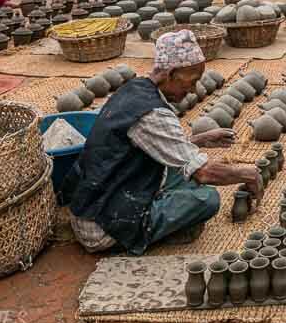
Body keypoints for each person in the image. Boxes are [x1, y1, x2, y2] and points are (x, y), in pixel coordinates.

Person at [61, 30, 261, 254]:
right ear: (171, 73)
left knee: (180, 170)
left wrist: (198, 140)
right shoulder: (153, 113)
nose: (194, 89)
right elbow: (204, 173)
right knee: (207, 198)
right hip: (102, 228)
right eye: (192, 80)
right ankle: (144, 232)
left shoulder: (134, 88)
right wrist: (247, 174)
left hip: (92, 204)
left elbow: (147, 144)